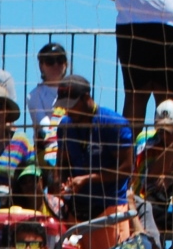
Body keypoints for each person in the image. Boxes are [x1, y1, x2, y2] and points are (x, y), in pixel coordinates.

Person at [52, 75, 134, 223]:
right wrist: (61, 183)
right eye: (64, 106)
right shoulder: (65, 126)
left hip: (110, 207)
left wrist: (87, 179)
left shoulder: (114, 123)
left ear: (86, 98)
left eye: (72, 105)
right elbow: (63, 163)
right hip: (75, 208)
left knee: (110, 247)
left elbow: (126, 168)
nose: (68, 111)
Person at [26, 42, 71, 136]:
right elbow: (45, 129)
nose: (55, 65)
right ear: (41, 66)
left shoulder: (75, 91)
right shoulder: (34, 96)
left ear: (66, 64)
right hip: (49, 146)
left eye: (60, 60)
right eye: (50, 61)